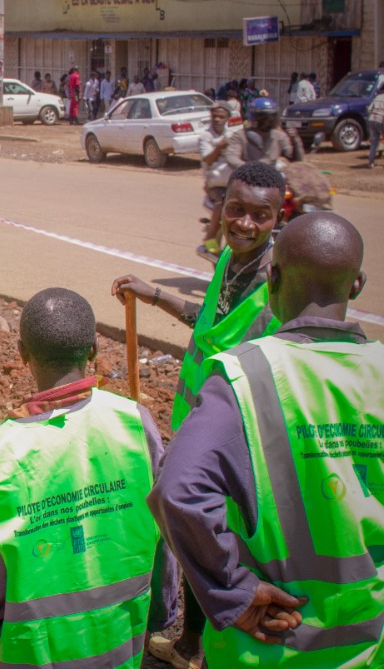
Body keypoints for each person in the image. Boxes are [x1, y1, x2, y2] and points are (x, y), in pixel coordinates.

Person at [149, 212, 381, 668]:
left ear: (271, 277)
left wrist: (232, 589)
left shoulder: (244, 375)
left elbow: (177, 491)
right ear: (357, 285)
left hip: (270, 645)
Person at [112, 161, 285, 669]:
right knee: (195, 538)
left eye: (261, 215)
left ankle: (213, 650)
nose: (246, 223)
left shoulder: (277, 283)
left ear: (279, 217)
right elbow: (209, 320)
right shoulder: (230, 262)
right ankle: (190, 645)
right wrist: (157, 294)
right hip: (197, 426)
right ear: (221, 208)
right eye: (236, 210)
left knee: (213, 543)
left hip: (234, 438)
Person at [0, 288, 175, 669]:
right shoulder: (135, 422)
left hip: (35, 651)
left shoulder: (3, 453)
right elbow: (166, 528)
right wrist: (160, 612)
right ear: (93, 350)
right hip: (121, 638)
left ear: (22, 354)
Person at [197, 104, 237, 259]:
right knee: (222, 204)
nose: (217, 120)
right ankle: (209, 243)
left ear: (228, 118)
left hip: (234, 182)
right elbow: (207, 159)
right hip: (216, 184)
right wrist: (219, 147)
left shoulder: (233, 134)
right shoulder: (206, 136)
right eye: (215, 116)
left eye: (221, 117)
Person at [225, 97, 303, 170]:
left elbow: (296, 159)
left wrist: (295, 140)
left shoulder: (279, 136)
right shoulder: (241, 135)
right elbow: (231, 157)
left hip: (272, 176)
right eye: (265, 118)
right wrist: (249, 169)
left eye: (272, 117)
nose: (269, 121)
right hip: (247, 176)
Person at [367, 87, 384, 169]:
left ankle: (371, 163)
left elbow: (369, 109)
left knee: (374, 143)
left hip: (371, 120)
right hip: (381, 120)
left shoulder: (377, 97)